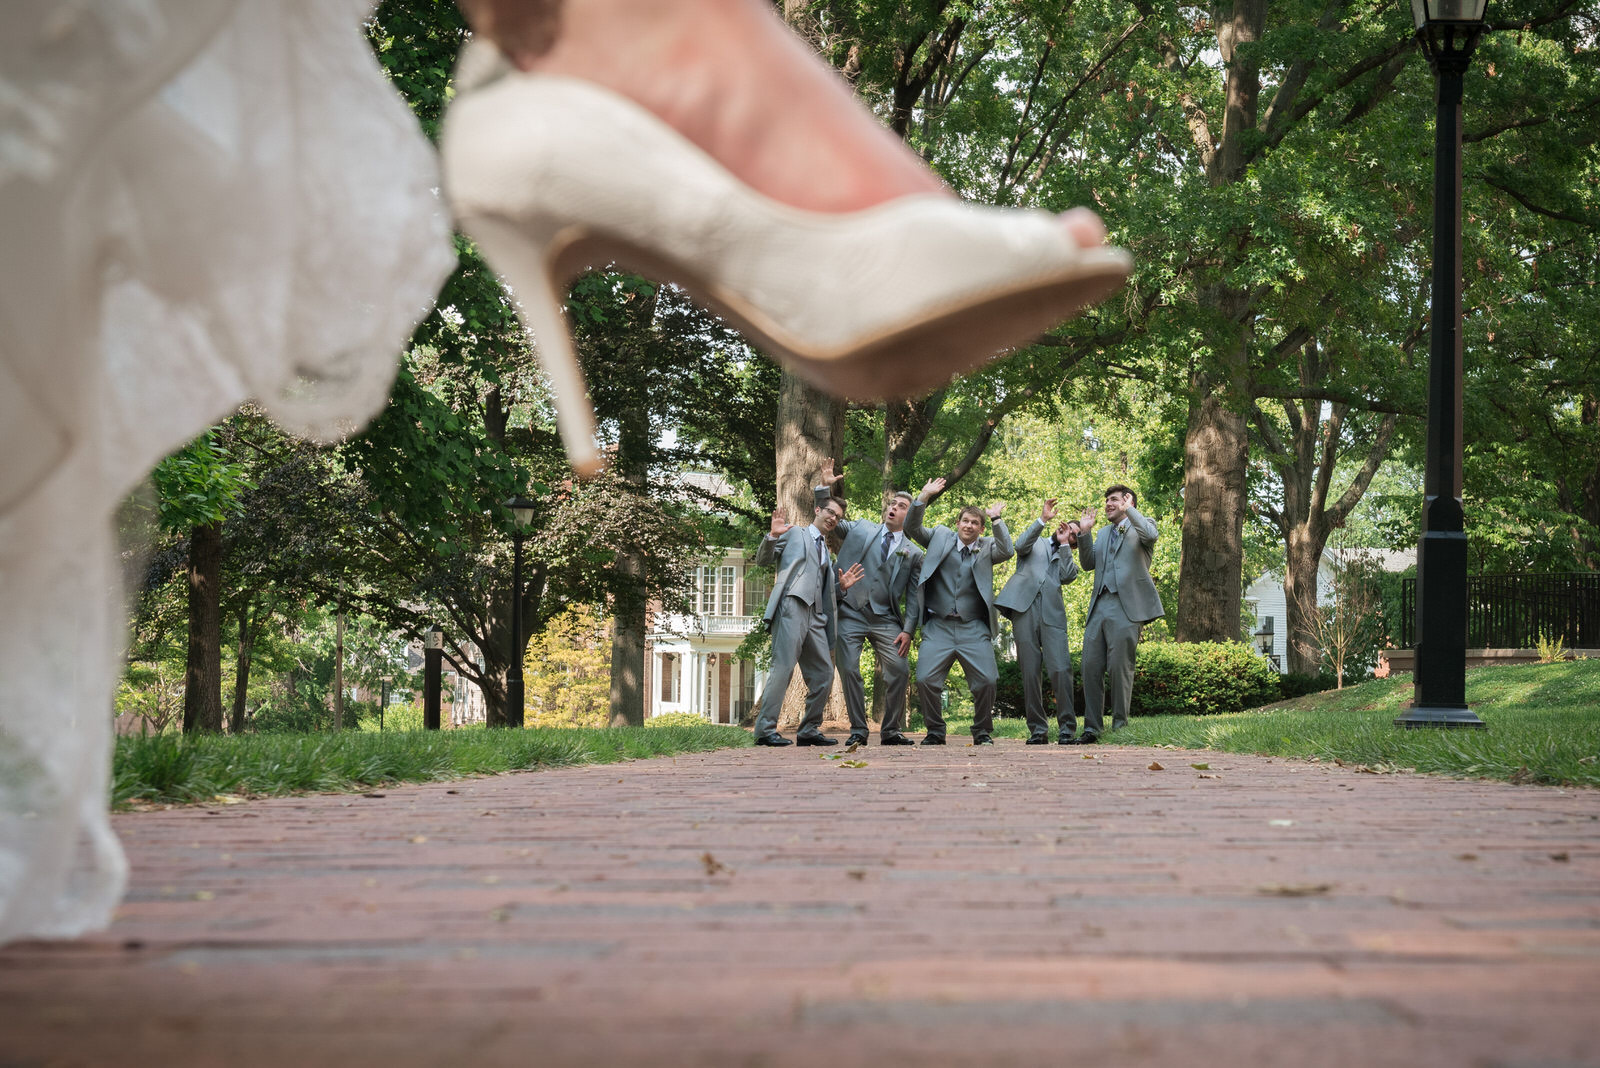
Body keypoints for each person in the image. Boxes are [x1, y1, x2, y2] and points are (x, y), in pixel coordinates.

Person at [0, 0, 1127, 943]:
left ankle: (627, 50)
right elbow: (807, 538)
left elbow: (924, 550)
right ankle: (639, 49)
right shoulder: (810, 533)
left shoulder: (937, 539)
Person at [813, 461, 923, 747]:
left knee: (899, 670)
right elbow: (828, 517)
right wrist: (824, 488)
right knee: (849, 669)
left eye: (901, 506)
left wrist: (909, 630)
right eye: (892, 503)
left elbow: (914, 596)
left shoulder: (913, 552)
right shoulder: (860, 528)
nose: (893, 507)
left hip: (886, 619)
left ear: (909, 516)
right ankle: (859, 729)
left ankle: (890, 731)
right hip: (850, 611)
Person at [903, 478, 1013, 746]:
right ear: (957, 523)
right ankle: (935, 731)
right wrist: (923, 497)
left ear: (981, 528)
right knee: (925, 679)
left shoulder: (987, 547)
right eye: (965, 521)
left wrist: (998, 520)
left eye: (975, 523)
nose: (969, 526)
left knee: (987, 680)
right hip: (938, 625)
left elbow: (1008, 550)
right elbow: (911, 527)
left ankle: (982, 731)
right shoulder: (940, 536)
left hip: (973, 626)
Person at [752, 496, 864, 747]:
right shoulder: (794, 534)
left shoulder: (826, 549)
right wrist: (771, 536)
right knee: (783, 668)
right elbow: (762, 560)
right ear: (817, 510)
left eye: (838, 517)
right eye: (830, 512)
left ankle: (809, 729)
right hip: (792, 605)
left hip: (816, 615)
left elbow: (824, 591)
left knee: (824, 672)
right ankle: (764, 730)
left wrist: (841, 586)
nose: (834, 518)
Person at [1072, 485, 1164, 743]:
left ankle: (1120, 726)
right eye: (1106, 501)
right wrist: (1085, 533)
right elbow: (1089, 563)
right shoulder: (1101, 533)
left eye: (1114, 500)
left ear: (1128, 501)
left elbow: (1151, 535)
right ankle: (1092, 728)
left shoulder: (1143, 525)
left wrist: (1130, 511)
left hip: (1127, 607)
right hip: (1099, 605)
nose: (1108, 505)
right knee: (1090, 666)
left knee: (1119, 668)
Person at [996, 500, 1081, 744]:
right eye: (1068, 526)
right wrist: (1043, 519)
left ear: (1075, 542)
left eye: (1075, 533)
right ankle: (1038, 730)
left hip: (1053, 616)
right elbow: (1019, 545)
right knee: (1030, 672)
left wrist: (1065, 546)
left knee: (1061, 670)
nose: (1069, 531)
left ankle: (1067, 729)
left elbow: (1067, 577)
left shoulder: (1068, 557)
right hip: (1024, 609)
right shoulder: (1037, 542)